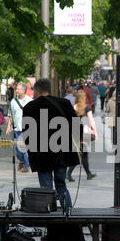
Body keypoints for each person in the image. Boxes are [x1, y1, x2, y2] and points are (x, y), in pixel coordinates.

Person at [22, 78, 80, 210]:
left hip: (41, 154)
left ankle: (49, 216)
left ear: (36, 90)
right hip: (61, 152)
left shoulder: (29, 107)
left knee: (46, 187)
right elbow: (76, 125)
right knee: (61, 184)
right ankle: (68, 214)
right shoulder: (64, 103)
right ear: (50, 89)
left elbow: (27, 133)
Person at [66, 90, 98, 182]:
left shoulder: (73, 107)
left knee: (82, 154)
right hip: (84, 134)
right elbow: (91, 121)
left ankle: (88, 173)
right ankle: (69, 173)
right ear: (84, 98)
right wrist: (95, 133)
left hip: (75, 133)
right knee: (80, 154)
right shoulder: (87, 107)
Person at [6, 82, 33, 173]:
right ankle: (21, 160)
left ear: (24, 90)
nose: (16, 90)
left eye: (18, 89)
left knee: (24, 148)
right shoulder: (13, 101)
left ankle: (26, 166)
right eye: (16, 89)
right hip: (17, 129)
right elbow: (10, 115)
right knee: (17, 148)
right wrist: (8, 126)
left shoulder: (30, 101)